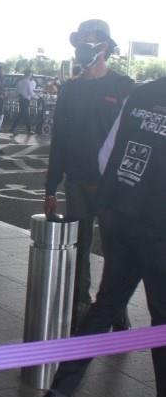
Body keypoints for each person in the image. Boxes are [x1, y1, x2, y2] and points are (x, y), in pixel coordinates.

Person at [38, 77, 166, 397]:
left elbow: (105, 155)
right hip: (158, 224)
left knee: (107, 302)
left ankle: (60, 392)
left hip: (119, 213)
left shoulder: (140, 94)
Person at [44, 20, 134, 330]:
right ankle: (80, 304)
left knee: (115, 250)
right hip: (77, 181)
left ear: (105, 46)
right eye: (80, 40)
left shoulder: (123, 87)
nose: (83, 46)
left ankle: (114, 310)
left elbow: (131, 139)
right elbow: (59, 139)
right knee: (79, 247)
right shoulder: (70, 89)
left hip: (113, 186)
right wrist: (50, 187)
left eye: (90, 40)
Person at [9, 68, 36, 135]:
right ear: (29, 74)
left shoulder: (20, 82)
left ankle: (13, 128)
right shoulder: (28, 82)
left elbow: (17, 91)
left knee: (22, 115)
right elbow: (30, 92)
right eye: (31, 74)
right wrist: (37, 97)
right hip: (26, 100)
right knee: (25, 115)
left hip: (21, 99)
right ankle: (28, 130)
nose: (31, 75)